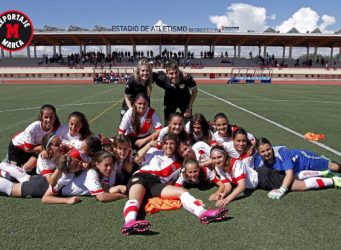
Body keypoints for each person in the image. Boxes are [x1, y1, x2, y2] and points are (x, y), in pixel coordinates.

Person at [120, 133, 228, 236]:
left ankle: (203, 213)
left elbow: (194, 166)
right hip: (141, 177)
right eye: (166, 143)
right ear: (162, 144)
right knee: (135, 199)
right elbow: (137, 159)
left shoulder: (179, 163)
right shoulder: (153, 150)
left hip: (156, 184)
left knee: (182, 192)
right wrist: (149, 144)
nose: (168, 146)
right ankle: (129, 223)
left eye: (172, 143)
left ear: (175, 146)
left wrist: (195, 200)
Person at [254, 138, 341, 199]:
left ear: (271, 147)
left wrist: (282, 189)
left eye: (268, 149)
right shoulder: (259, 161)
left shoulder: (282, 151)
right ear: (259, 152)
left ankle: (329, 168)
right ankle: (325, 173)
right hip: (297, 171)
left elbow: (289, 173)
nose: (266, 153)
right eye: (262, 151)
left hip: (306, 160)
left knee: (335, 167)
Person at [42, 150, 127, 204]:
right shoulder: (65, 177)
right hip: (40, 186)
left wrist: (117, 188)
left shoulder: (98, 169)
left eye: (77, 161)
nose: (80, 164)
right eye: (76, 166)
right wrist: (67, 200)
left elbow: (105, 188)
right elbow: (102, 197)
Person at [8, 104, 61, 173]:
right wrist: (43, 148)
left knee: (33, 171)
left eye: (51, 117)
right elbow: (27, 149)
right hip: (17, 148)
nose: (49, 120)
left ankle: (25, 167)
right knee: (14, 175)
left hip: (34, 147)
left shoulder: (55, 126)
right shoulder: (33, 129)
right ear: (41, 117)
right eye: (46, 117)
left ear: (55, 117)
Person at [155, 60, 197, 124]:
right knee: (168, 123)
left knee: (188, 124)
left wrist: (189, 107)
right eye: (171, 73)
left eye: (176, 72)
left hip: (185, 102)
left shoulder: (186, 78)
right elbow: (149, 74)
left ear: (179, 72)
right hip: (170, 102)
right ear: (166, 74)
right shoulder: (161, 79)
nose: (174, 76)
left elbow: (195, 90)